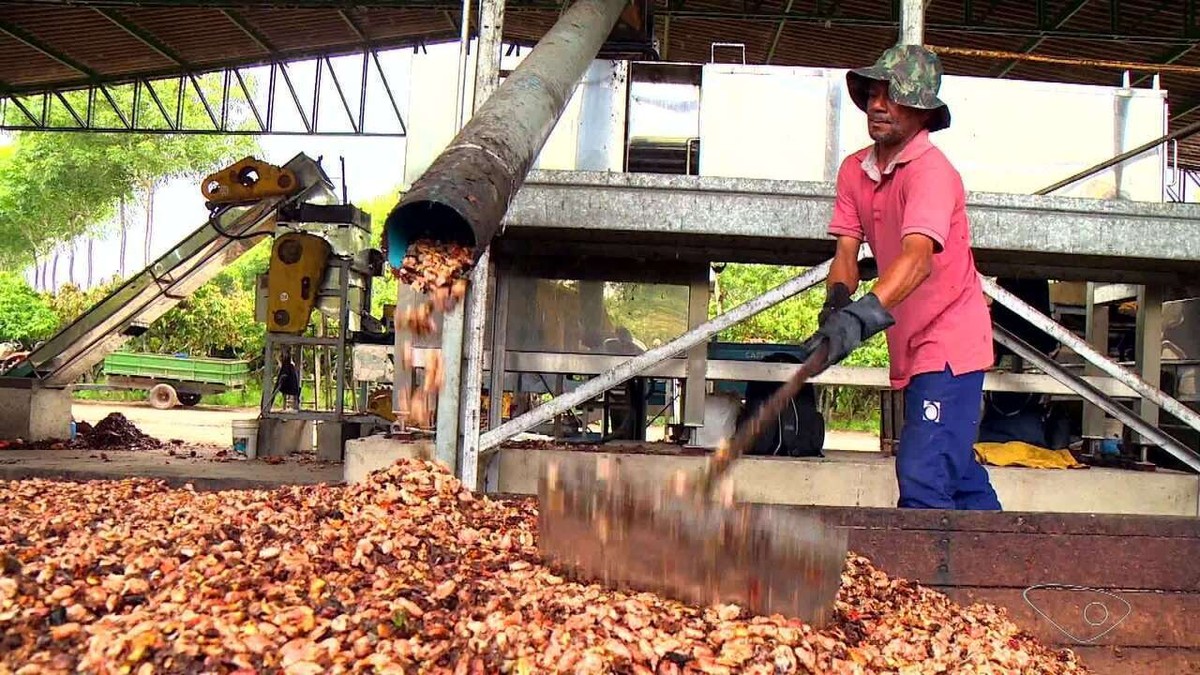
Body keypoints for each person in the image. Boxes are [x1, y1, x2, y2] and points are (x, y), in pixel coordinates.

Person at [811, 44, 1002, 511]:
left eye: (893, 97)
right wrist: (837, 305)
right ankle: (1014, 568)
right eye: (875, 94)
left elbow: (918, 259)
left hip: (951, 343)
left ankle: (925, 583)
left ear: (922, 113)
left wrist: (862, 320)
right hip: (911, 344)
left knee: (923, 475)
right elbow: (845, 253)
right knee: (955, 473)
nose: (878, 104)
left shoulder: (934, 174)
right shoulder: (855, 170)